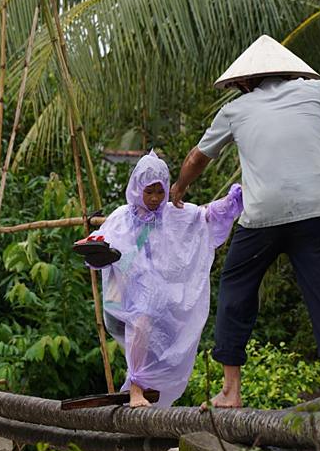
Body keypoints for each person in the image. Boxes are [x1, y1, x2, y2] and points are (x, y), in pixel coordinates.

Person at [168, 35, 320, 410]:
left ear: (244, 82)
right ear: (289, 72)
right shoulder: (317, 91)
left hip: (263, 216)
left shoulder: (236, 110)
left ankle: (230, 391)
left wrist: (179, 188)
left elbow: (196, 157)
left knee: (236, 289)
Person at [78, 152, 243, 407]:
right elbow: (104, 239)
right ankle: (136, 388)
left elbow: (204, 216)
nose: (155, 198)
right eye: (149, 191)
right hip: (123, 299)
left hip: (155, 302)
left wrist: (231, 202)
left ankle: (144, 389)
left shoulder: (173, 213)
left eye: (160, 191)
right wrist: (93, 246)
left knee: (152, 335)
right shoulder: (123, 216)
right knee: (140, 322)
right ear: (137, 189)